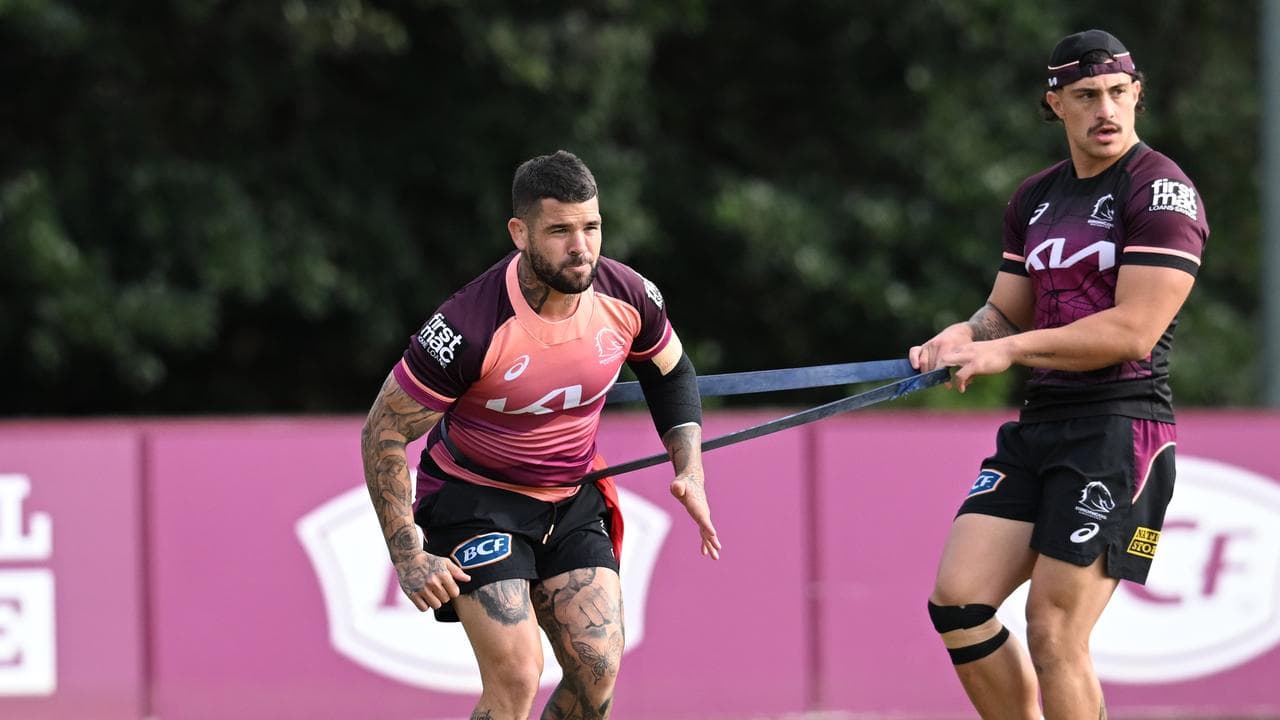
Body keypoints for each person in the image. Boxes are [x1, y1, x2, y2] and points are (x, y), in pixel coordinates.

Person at [910, 29, 1208, 719]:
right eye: (1086, 96)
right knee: (958, 602)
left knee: (1053, 630)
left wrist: (1010, 351)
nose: (1105, 110)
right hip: (1042, 424)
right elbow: (1004, 313)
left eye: (1117, 93)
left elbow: (1133, 331)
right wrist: (965, 335)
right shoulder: (1036, 197)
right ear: (1056, 104)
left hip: (1120, 431)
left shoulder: (1162, 191)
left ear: (1136, 94)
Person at [360, 149, 720, 720]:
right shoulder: (468, 326)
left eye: (591, 227)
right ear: (520, 232)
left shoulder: (627, 295)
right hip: (474, 501)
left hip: (571, 498)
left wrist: (690, 470)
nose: (581, 247)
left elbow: (671, 372)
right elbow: (382, 431)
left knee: (597, 673)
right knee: (517, 675)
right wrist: (408, 556)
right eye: (559, 231)